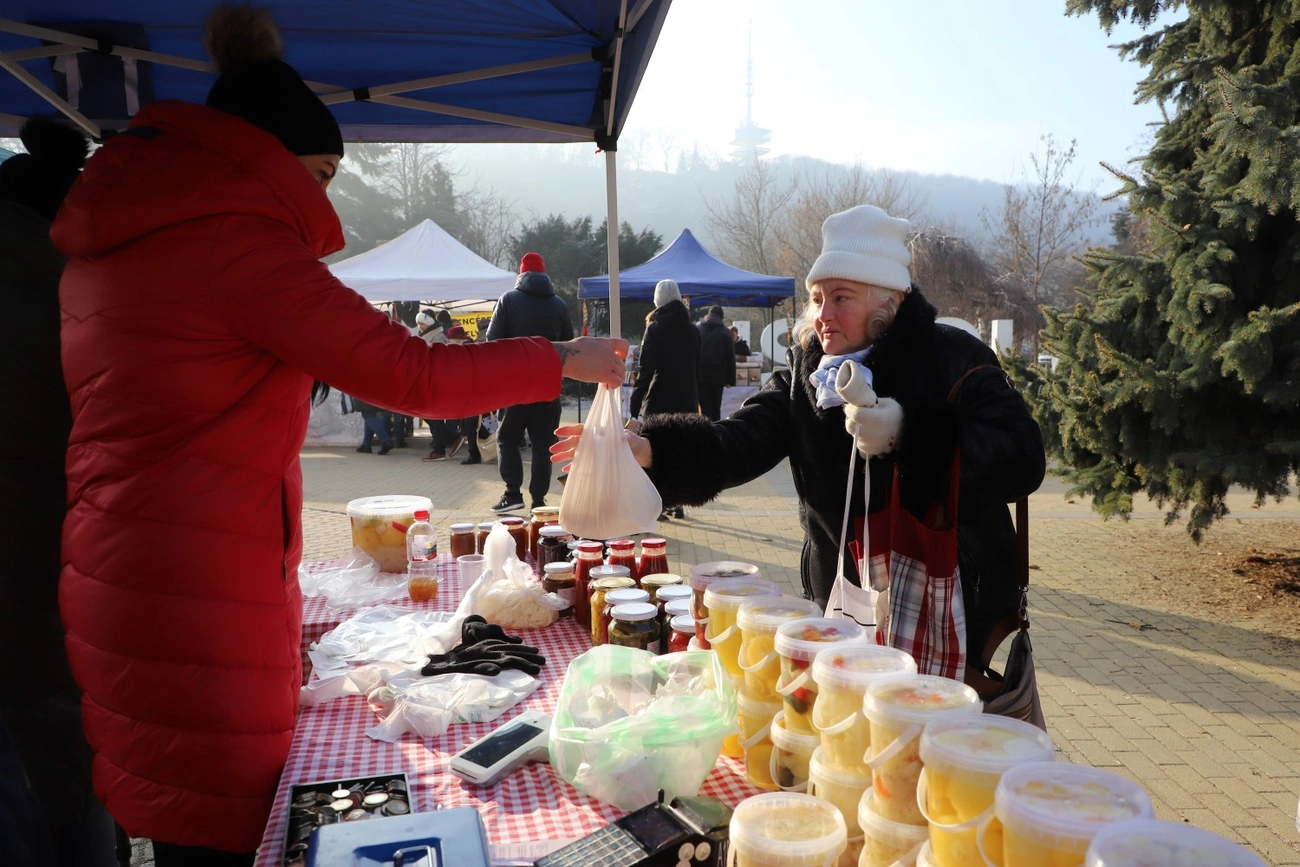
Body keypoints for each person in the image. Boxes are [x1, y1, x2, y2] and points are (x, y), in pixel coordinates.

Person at [50, 6, 625, 864]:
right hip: (196, 590)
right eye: (319, 175)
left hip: (132, 567)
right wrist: (565, 358)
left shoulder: (127, 232)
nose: (324, 202)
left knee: (181, 810)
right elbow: (413, 374)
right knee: (221, 824)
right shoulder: (234, 243)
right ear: (266, 159)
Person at [554, 204, 1044, 676]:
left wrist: (909, 432)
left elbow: (1023, 458)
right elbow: (739, 442)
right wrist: (649, 449)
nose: (823, 313)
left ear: (888, 301)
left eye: (841, 297)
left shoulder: (953, 358)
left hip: (950, 603)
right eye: (817, 298)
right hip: (841, 598)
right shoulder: (809, 372)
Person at [0, 119, 117, 867]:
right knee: (59, 766)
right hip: (39, 566)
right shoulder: (68, 297)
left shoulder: (53, 285)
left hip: (44, 559)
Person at [486, 252, 574, 512]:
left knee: (507, 438)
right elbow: (569, 345)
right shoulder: (559, 304)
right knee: (543, 446)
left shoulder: (508, 299)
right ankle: (539, 500)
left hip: (516, 385)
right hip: (548, 386)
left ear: (521, 274)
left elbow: (492, 340)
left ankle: (513, 494)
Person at [629, 279, 701, 420]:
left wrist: (635, 404)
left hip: (659, 403)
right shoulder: (694, 330)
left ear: (657, 302)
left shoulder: (654, 329)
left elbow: (645, 371)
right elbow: (697, 370)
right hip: (688, 404)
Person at [696, 304, 736, 422]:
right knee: (716, 407)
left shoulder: (698, 330)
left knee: (704, 408)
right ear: (721, 317)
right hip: (718, 377)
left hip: (701, 377)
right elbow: (730, 357)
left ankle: (705, 430)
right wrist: (730, 380)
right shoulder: (725, 332)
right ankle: (716, 430)